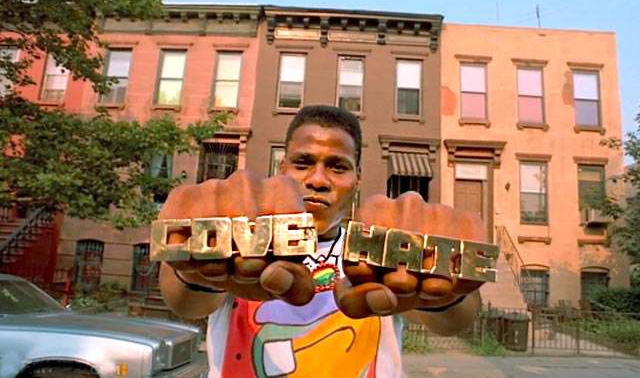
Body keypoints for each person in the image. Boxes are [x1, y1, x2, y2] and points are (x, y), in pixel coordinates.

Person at [158, 105, 486, 377]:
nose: (317, 180)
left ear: (357, 180)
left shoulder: (381, 254)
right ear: (282, 169)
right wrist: (195, 266)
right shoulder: (240, 236)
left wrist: (444, 291)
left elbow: (457, 320)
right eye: (303, 163)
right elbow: (184, 301)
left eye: (337, 167)